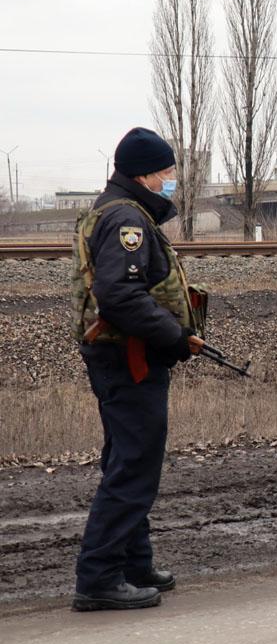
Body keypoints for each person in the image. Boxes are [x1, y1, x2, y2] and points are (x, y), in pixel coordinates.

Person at [70, 127, 204, 611]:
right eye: (167, 171)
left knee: (128, 457)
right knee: (133, 466)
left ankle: (133, 562)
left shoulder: (112, 209)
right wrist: (172, 335)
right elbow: (120, 295)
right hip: (129, 361)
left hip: (123, 357)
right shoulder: (127, 219)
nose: (171, 179)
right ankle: (99, 577)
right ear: (145, 173)